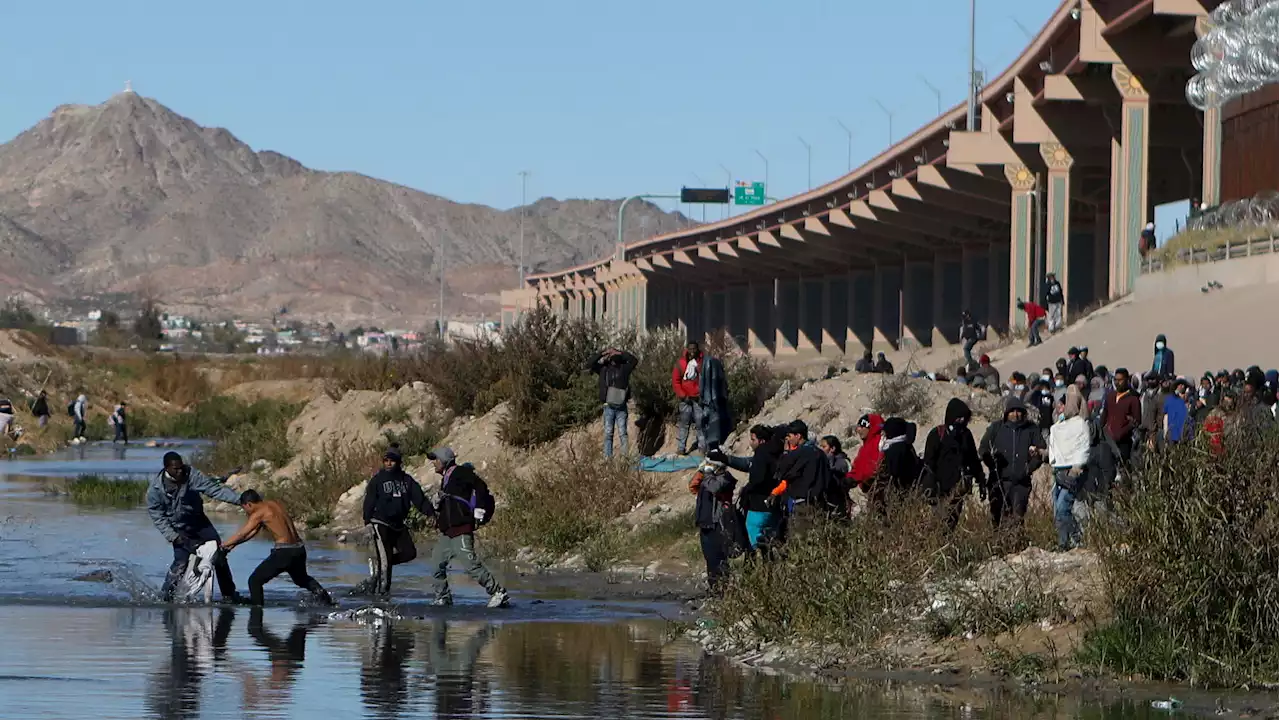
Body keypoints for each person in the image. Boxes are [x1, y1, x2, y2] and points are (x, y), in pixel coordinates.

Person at [147, 451, 245, 603]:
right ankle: (166, 598)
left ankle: (229, 595)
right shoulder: (155, 490)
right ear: (166, 468)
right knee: (181, 563)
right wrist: (173, 536)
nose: (180, 471)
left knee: (219, 554)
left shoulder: (191, 475)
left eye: (181, 467)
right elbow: (157, 515)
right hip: (178, 528)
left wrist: (241, 501)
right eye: (176, 469)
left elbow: (214, 490)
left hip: (200, 523)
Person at [425, 447, 509, 608]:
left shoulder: (460, 472)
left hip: (461, 529)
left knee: (471, 565)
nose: (433, 463)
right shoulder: (446, 478)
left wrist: (480, 508)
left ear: (444, 460)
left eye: (435, 460)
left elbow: (481, 486)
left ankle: (498, 592)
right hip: (447, 532)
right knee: (436, 565)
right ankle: (443, 597)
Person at [219, 489, 334, 606]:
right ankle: (324, 597)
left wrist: (222, 546)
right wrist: (231, 545)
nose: (247, 513)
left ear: (249, 504)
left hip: (284, 552)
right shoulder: (273, 504)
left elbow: (241, 533)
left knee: (254, 581)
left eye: (245, 509)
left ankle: (257, 610)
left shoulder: (259, 513)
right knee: (301, 579)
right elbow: (252, 532)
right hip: (299, 549)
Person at [356, 447, 432, 597]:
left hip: (398, 525)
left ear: (399, 462)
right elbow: (369, 500)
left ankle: (380, 565)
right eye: (386, 460)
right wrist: (367, 521)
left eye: (392, 460)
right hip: (380, 523)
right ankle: (383, 594)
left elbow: (419, 499)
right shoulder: (378, 479)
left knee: (410, 553)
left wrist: (430, 513)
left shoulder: (407, 480)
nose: (389, 463)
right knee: (385, 561)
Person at [710, 425, 784, 553]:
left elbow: (756, 475)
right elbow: (747, 464)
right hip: (775, 507)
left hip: (758, 507)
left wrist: (748, 489)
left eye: (753, 439)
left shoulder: (762, 454)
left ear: (761, 441)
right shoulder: (779, 454)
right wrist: (725, 459)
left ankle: (762, 568)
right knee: (772, 540)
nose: (750, 443)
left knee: (757, 544)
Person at [979, 397, 1046, 527]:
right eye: (1012, 411)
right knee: (997, 518)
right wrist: (992, 464)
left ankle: (1015, 546)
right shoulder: (996, 427)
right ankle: (998, 545)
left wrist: (1028, 468)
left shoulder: (1031, 429)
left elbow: (1041, 451)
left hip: (1021, 483)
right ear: (1006, 412)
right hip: (998, 482)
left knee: (1017, 518)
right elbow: (983, 449)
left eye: (1019, 411)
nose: (1016, 414)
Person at [921, 399, 983, 531]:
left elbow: (973, 460)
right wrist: (930, 486)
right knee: (938, 523)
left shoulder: (966, 435)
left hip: (958, 489)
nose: (961, 421)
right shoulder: (937, 434)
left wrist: (981, 480)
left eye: (964, 418)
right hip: (939, 489)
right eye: (958, 418)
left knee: (952, 523)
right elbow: (928, 463)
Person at [688, 460, 743, 592]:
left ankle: (723, 589)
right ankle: (715, 589)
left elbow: (714, 488)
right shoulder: (707, 479)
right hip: (705, 525)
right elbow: (692, 486)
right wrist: (701, 472)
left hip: (720, 524)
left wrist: (708, 474)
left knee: (719, 559)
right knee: (710, 559)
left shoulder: (726, 478)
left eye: (710, 464)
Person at [1048, 388, 1092, 550]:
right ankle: (1071, 540)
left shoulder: (1081, 424)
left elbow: (1083, 449)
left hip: (1073, 473)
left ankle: (1068, 543)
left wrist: (1075, 469)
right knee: (1058, 511)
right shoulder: (1060, 424)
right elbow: (1058, 450)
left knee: (1062, 508)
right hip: (1059, 472)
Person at [774, 420, 829, 535]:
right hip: (820, 504)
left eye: (789, 436)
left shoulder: (798, 454)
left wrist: (785, 452)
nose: (788, 440)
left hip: (802, 506)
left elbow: (782, 472)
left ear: (798, 436)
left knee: (800, 540)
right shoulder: (820, 453)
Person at [588, 347, 638, 458]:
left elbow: (634, 360)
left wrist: (620, 352)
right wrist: (602, 353)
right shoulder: (603, 369)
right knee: (608, 434)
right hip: (608, 406)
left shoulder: (624, 368)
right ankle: (608, 459)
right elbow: (590, 363)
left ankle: (625, 458)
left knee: (622, 433)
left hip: (621, 406)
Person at [1099, 368, 1142, 496]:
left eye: (1120, 380)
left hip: (1124, 441)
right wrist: (1102, 429)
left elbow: (1137, 420)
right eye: (1115, 380)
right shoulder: (1110, 396)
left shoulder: (1133, 399)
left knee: (1125, 469)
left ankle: (1128, 496)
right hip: (1108, 439)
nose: (1118, 383)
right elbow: (1104, 414)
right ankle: (1108, 497)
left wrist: (1124, 430)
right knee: (1108, 470)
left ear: (1127, 380)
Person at [672, 341, 704, 456]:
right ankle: (681, 448)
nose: (692, 352)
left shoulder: (702, 362)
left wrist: (702, 394)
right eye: (690, 349)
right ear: (687, 349)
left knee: (700, 423)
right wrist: (682, 395)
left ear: (697, 350)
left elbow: (704, 379)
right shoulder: (681, 363)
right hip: (685, 398)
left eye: (694, 349)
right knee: (684, 424)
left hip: (698, 398)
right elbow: (676, 382)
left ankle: (702, 448)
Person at [819, 435, 852, 516]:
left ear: (832, 449)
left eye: (824, 447)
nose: (821, 449)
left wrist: (829, 459)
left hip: (839, 500)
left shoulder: (842, 462)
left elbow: (834, 477)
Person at [1162, 380, 1192, 445]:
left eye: (1184, 386)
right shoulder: (1169, 399)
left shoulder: (1189, 400)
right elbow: (1165, 415)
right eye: (1180, 385)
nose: (1183, 387)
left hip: (1185, 434)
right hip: (1172, 434)